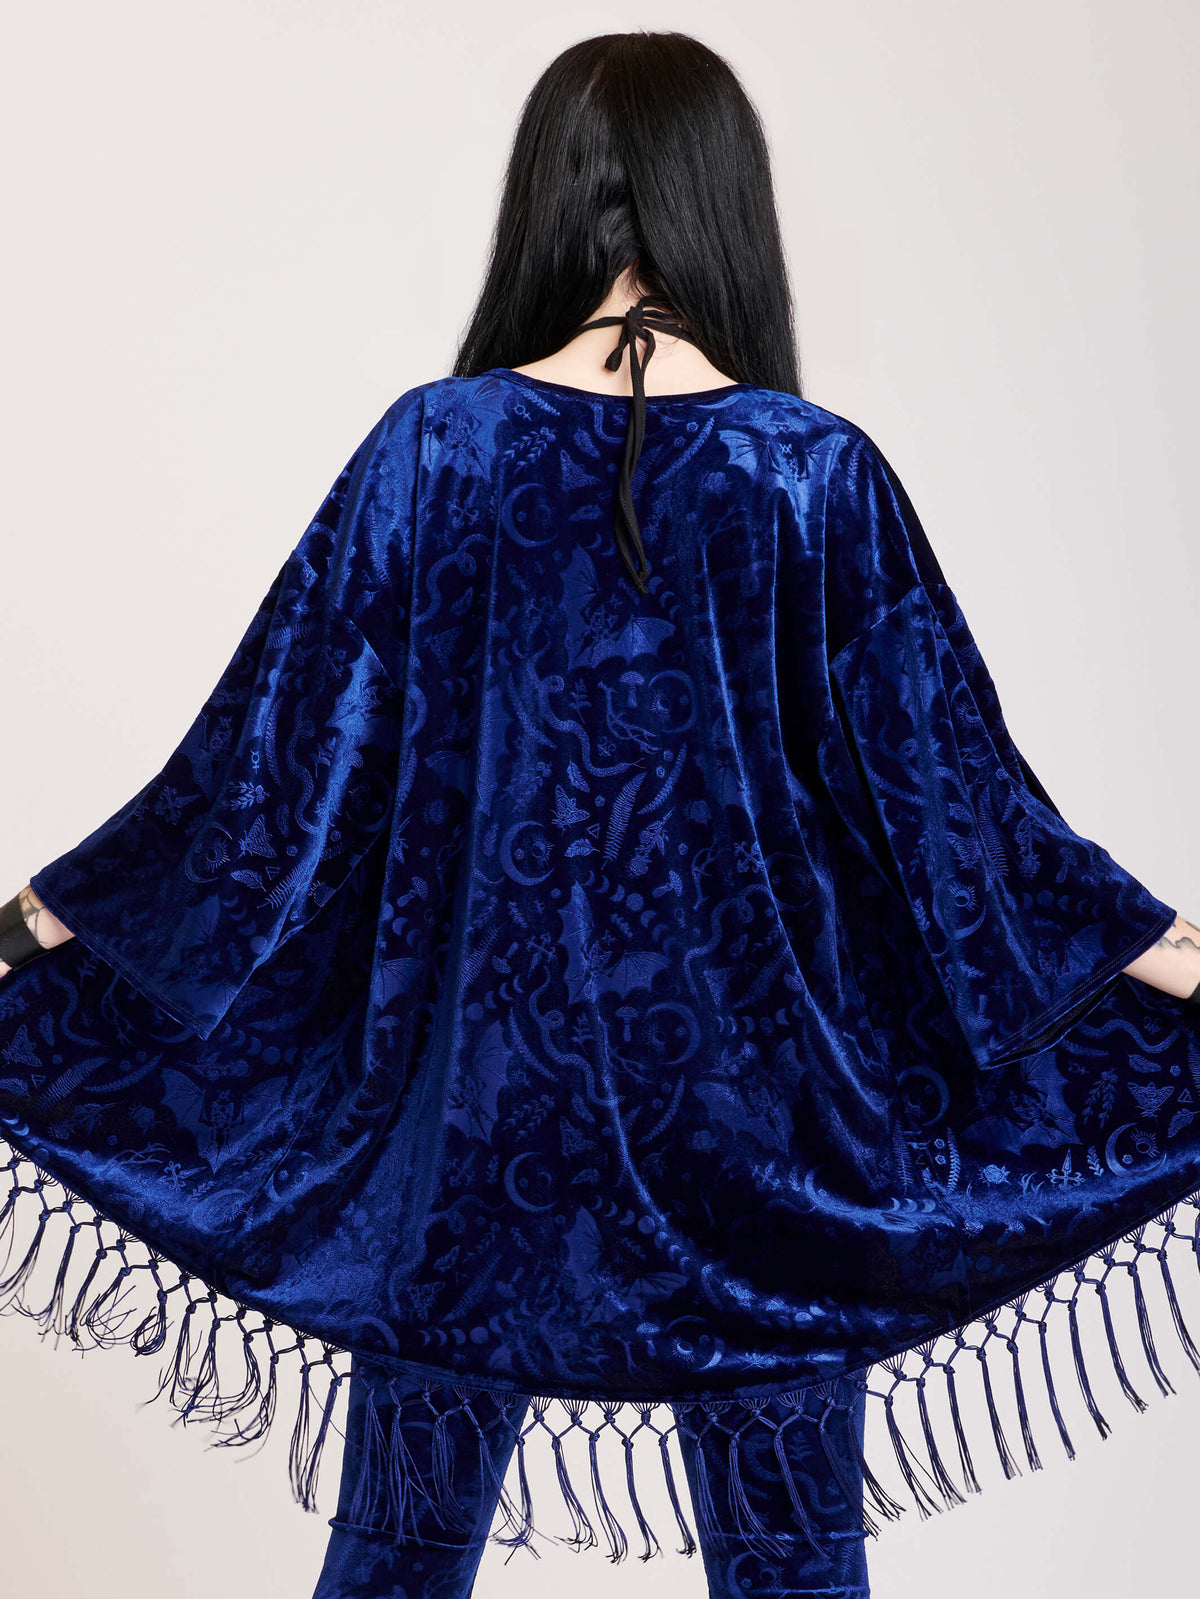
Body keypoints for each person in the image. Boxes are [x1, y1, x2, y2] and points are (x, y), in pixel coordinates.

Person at [2, 28, 1200, 1599]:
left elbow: (260, 785)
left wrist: (26, 931)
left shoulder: (433, 453)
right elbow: (962, 825)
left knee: (394, 1564)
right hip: (768, 1139)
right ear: (726, 200)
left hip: (472, 1128)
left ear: (547, 199)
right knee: (793, 1573)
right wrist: (1177, 958)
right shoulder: (812, 478)